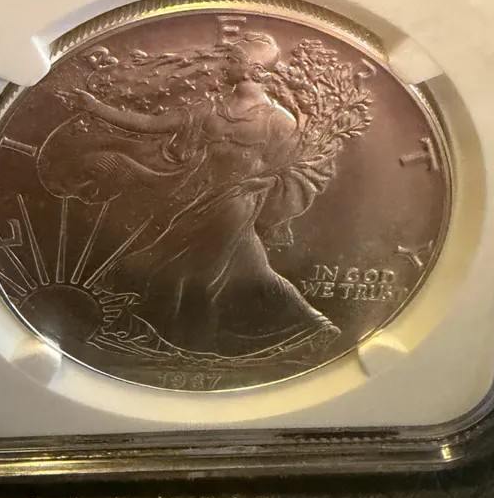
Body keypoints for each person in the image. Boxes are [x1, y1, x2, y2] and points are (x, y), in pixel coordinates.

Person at [38, 34, 341, 362]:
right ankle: (314, 328)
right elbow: (151, 125)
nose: (225, 64)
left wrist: (258, 185)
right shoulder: (210, 109)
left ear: (254, 71)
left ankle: (193, 347)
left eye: (234, 59)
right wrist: (95, 107)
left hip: (234, 208)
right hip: (198, 201)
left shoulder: (278, 121)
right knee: (252, 272)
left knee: (191, 275)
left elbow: (292, 168)